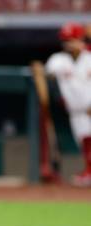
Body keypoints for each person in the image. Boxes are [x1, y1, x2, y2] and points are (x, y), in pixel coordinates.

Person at [46, 22, 91, 187]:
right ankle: (89, 172)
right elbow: (46, 75)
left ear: (81, 40)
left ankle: (89, 173)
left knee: (88, 141)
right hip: (75, 111)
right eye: (66, 40)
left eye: (72, 39)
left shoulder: (89, 58)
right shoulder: (58, 60)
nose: (68, 44)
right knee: (84, 143)